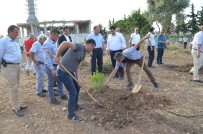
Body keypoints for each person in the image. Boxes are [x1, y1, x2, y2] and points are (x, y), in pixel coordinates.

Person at [55, 39, 96, 121]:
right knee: (72, 91)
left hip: (70, 72)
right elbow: (64, 43)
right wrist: (57, 56)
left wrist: (79, 79)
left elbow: (77, 68)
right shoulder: (78, 46)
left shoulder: (83, 54)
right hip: (62, 71)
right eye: (93, 47)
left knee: (77, 87)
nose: (92, 50)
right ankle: (71, 115)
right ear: (90, 45)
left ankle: (75, 106)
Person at [0, 25, 27, 117]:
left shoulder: (15, 42)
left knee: (16, 86)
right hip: (8, 67)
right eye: (16, 32)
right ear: (10, 32)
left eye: (18, 32)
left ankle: (17, 104)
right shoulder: (3, 41)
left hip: (17, 66)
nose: (17, 34)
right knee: (14, 87)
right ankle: (16, 107)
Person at [43, 28, 67, 104]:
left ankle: (62, 94)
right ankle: (52, 99)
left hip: (56, 65)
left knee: (59, 80)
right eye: (56, 36)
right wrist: (52, 69)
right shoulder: (47, 44)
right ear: (52, 35)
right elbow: (47, 58)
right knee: (51, 83)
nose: (57, 38)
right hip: (51, 66)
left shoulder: (53, 43)